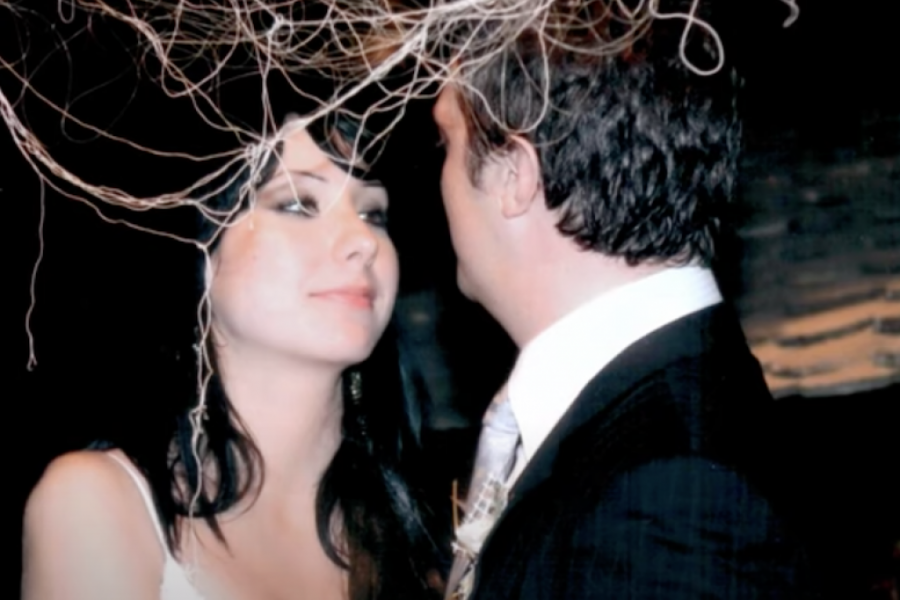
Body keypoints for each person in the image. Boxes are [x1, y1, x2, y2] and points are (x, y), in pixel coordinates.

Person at [432, 3, 821, 599]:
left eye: (446, 142)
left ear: (514, 175)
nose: (439, 178)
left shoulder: (665, 498)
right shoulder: (668, 418)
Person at [20, 110, 444, 600]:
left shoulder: (416, 538)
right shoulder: (99, 505)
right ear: (201, 251)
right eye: (298, 204)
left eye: (373, 214)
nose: (363, 241)